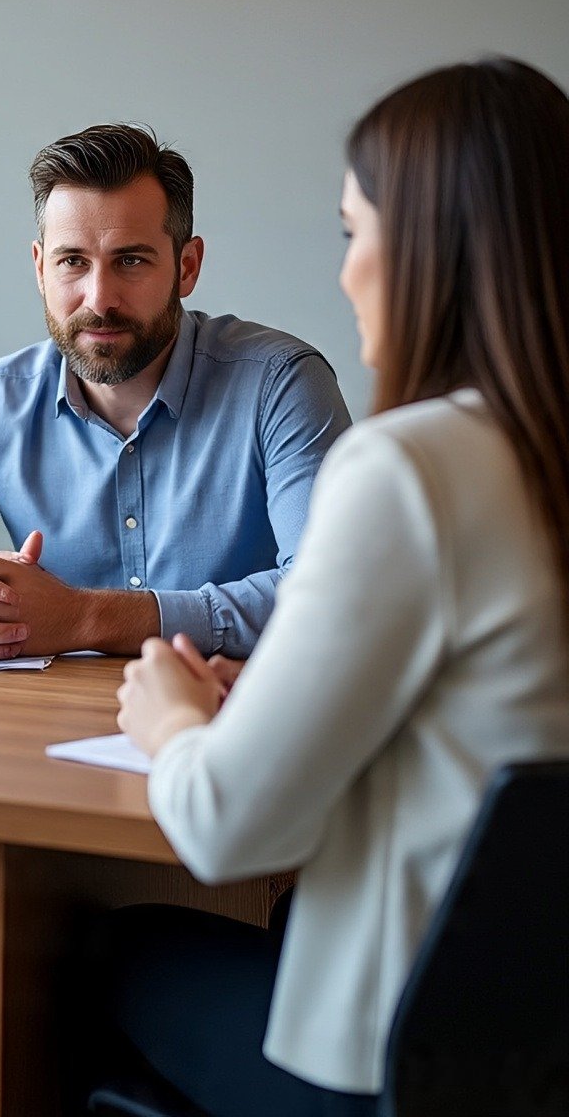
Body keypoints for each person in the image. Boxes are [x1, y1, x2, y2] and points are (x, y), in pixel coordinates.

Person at [106, 57, 569, 1115]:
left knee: (108, 952)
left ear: (426, 252)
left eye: (353, 232)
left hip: (394, 1058)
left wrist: (174, 720)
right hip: (533, 1049)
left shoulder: (411, 466)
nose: (346, 269)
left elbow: (226, 829)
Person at [0, 124, 350, 662]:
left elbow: (333, 596)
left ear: (186, 267)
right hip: (51, 727)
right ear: (39, 268)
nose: (99, 299)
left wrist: (84, 618)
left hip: (230, 725)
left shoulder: (280, 384)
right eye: (73, 261)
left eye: (131, 261)